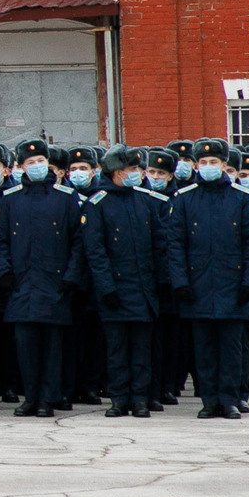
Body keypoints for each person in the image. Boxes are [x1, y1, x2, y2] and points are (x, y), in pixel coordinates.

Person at [167, 138, 249, 418]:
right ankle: (209, 400)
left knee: (232, 348)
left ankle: (230, 399)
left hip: (233, 285)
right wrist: (181, 282)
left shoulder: (242, 198)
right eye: (203, 162)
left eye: (214, 162)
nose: (208, 166)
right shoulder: (184, 199)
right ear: (197, 165)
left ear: (224, 165)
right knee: (205, 348)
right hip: (198, 285)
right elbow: (175, 244)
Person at [0, 139, 88, 418]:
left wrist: (71, 277)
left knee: (52, 348)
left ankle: (48, 398)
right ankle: (30, 398)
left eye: (41, 161)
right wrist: (4, 272)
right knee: (25, 348)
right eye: (30, 162)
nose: (36, 166)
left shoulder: (66, 197)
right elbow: (1, 241)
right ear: (21, 167)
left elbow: (78, 242)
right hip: (21, 286)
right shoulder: (10, 199)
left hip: (55, 286)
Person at [77, 147, 168, 417]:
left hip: (143, 290)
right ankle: (119, 399)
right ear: (117, 173)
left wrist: (162, 282)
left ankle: (140, 399)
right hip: (114, 291)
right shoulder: (97, 203)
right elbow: (95, 251)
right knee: (117, 350)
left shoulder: (145, 201)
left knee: (142, 350)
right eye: (132, 170)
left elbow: (158, 244)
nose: (137, 174)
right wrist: (106, 288)